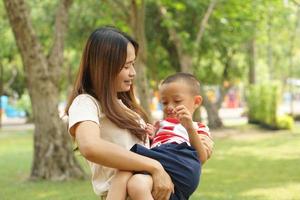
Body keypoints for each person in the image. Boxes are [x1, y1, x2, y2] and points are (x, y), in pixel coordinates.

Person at [66, 26, 213, 200]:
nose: (133, 73)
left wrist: (192, 139)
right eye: (126, 66)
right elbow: (90, 146)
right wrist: (154, 166)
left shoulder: (127, 108)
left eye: (133, 64)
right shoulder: (86, 102)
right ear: (105, 67)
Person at [107, 72, 213, 200]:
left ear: (196, 102)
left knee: (124, 167)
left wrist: (189, 127)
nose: (169, 107)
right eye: (164, 102)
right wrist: (151, 137)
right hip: (164, 165)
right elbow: (155, 148)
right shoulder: (159, 125)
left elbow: (200, 158)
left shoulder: (198, 127)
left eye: (177, 101)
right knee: (137, 184)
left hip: (182, 161)